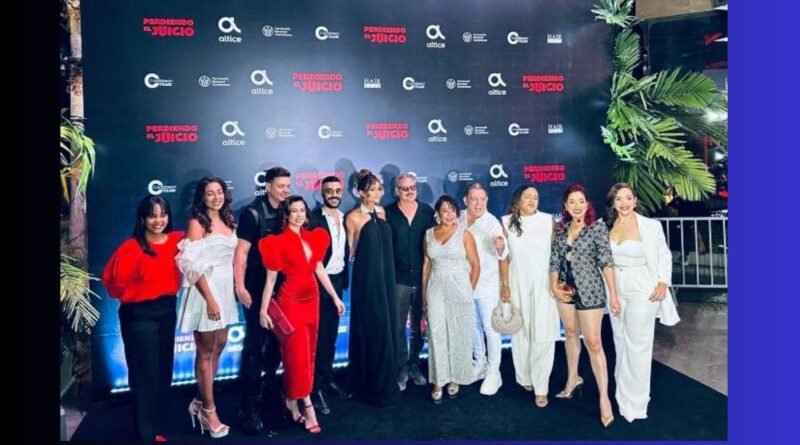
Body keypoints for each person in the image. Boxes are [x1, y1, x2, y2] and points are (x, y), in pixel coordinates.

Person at [258, 196, 346, 434]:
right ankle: (307, 405)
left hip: (313, 300)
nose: (298, 215)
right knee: (296, 355)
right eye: (293, 211)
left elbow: (319, 269)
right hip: (290, 302)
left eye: (301, 210)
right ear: (286, 215)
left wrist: (335, 297)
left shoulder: (314, 237)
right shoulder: (276, 242)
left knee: (309, 354)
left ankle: (291, 398)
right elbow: (271, 280)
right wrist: (263, 309)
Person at [102, 195, 183, 442]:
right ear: (142, 219)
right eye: (152, 215)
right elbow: (113, 285)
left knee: (163, 371)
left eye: (163, 214)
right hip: (140, 316)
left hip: (167, 311)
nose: (158, 220)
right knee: (145, 374)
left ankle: (158, 427)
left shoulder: (178, 241)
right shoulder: (131, 248)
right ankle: (145, 434)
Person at [605, 183, 680, 423]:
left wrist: (663, 282)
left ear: (635, 200)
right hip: (614, 288)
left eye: (628, 198)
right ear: (613, 202)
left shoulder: (650, 226)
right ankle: (622, 396)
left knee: (638, 345)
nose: (624, 203)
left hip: (642, 288)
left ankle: (636, 403)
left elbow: (664, 255)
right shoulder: (605, 226)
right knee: (620, 341)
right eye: (619, 199)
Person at [549, 183, 620, 428]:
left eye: (581, 201)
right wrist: (554, 286)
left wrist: (613, 295)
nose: (577, 206)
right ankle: (573, 379)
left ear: (587, 203)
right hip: (565, 290)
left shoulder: (596, 228)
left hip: (590, 291)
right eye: (572, 202)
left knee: (593, 342)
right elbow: (554, 260)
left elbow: (607, 262)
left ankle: (604, 399)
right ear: (565, 206)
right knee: (570, 334)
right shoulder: (561, 229)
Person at [176, 177, 239, 438]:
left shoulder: (229, 219)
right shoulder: (197, 223)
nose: (216, 197)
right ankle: (209, 411)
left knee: (219, 345)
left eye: (219, 192)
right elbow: (191, 265)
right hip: (205, 291)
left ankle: (199, 402)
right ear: (202, 197)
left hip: (225, 289)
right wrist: (211, 299)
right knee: (205, 351)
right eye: (210, 193)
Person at [234, 166, 291, 435]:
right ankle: (248, 405)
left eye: (288, 186)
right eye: (280, 186)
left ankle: (270, 394)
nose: (285, 190)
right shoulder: (252, 214)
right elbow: (241, 254)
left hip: (283, 289)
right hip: (257, 289)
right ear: (268, 186)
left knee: (277, 346)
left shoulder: (288, 211)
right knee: (255, 346)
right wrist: (240, 287)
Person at [498, 185, 560, 408]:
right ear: (518, 199)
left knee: (543, 333)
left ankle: (541, 387)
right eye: (528, 197)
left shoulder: (547, 221)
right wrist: (505, 285)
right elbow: (503, 258)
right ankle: (525, 377)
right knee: (521, 333)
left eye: (536, 197)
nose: (532, 200)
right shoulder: (505, 222)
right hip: (517, 283)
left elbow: (556, 255)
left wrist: (557, 282)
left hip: (544, 284)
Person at [345, 169, 399, 406]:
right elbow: (350, 252)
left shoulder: (383, 212)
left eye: (379, 189)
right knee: (372, 325)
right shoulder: (353, 218)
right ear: (361, 193)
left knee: (387, 324)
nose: (378, 193)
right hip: (367, 280)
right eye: (373, 190)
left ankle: (386, 380)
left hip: (386, 277)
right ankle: (367, 383)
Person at [422, 195, 480, 403]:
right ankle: (439, 380)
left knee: (458, 334)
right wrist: (423, 297)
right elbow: (426, 265)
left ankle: (456, 378)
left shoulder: (464, 234)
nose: (449, 214)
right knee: (437, 333)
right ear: (438, 213)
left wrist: (468, 291)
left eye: (452, 210)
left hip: (459, 287)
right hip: (435, 287)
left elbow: (476, 265)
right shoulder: (428, 234)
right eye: (444, 210)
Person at [384, 172, 437, 391]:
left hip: (423, 278)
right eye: (404, 188)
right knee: (397, 327)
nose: (409, 191)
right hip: (398, 279)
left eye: (412, 187)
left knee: (419, 325)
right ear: (396, 190)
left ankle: (415, 364)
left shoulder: (428, 212)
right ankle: (402, 367)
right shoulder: (387, 213)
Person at [308, 176, 353, 415]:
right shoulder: (314, 219)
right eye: (329, 191)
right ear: (321, 193)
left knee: (331, 337)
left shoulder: (345, 217)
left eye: (337, 190)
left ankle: (327, 380)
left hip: (337, 281)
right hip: (318, 284)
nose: (334, 194)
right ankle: (314, 389)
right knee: (318, 339)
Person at [460, 182, 508, 395]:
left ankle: (494, 372)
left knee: (490, 328)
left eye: (482, 200)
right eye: (474, 199)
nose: (478, 204)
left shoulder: (492, 223)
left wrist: (500, 245)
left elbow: (503, 252)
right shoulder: (459, 217)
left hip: (487, 283)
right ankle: (479, 363)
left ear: (487, 201)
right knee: (472, 326)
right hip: (464, 283)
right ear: (466, 200)